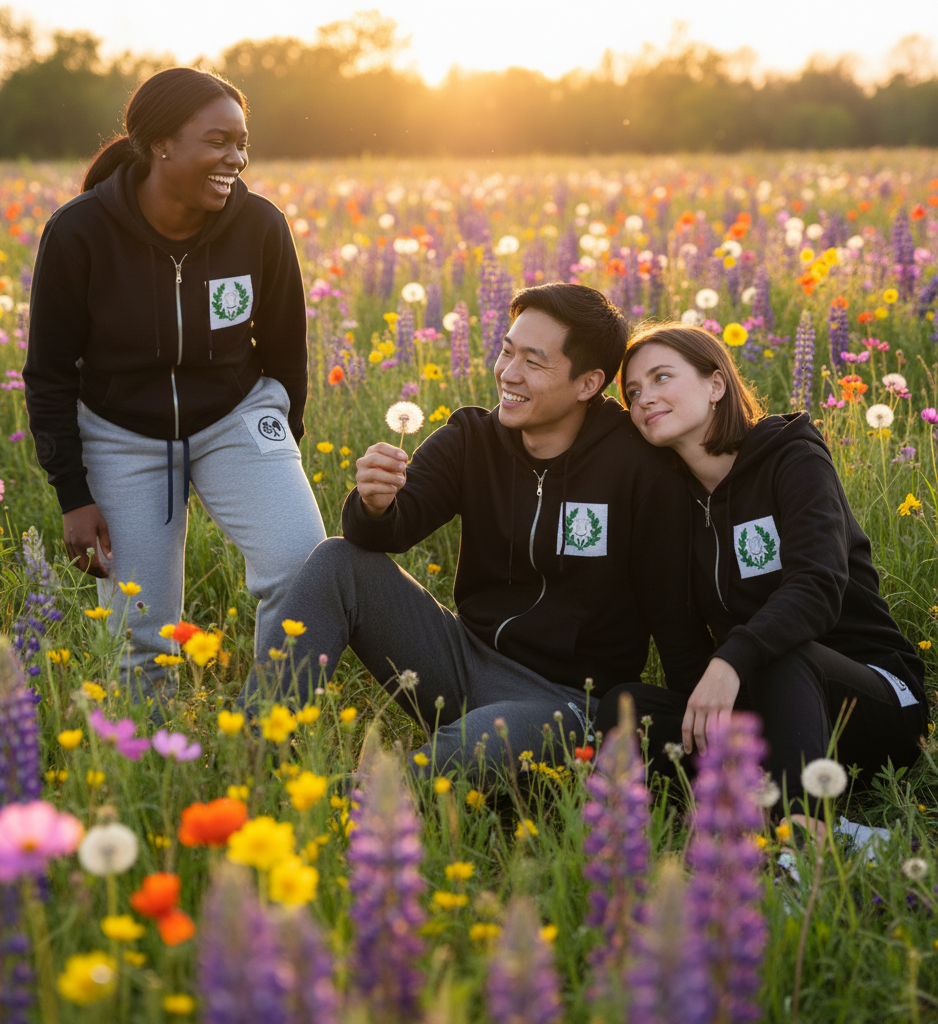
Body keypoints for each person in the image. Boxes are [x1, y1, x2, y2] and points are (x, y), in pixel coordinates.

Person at [256, 283, 710, 774]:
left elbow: (674, 615)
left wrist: (708, 736)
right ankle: (255, 754)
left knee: (474, 747)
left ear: (588, 383)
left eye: (534, 363)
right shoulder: (472, 438)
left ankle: (357, 804)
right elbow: (385, 534)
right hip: (460, 660)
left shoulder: (638, 466)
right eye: (506, 351)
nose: (508, 373)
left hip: (564, 701)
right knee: (337, 560)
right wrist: (374, 503)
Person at [23, 67, 326, 703]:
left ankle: (268, 729)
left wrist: (277, 450)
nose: (236, 160)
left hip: (236, 417)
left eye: (242, 143)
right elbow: (49, 374)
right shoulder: (79, 232)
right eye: (218, 142)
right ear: (161, 143)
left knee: (305, 569)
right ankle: (151, 767)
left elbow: (285, 352)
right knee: (141, 633)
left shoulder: (261, 227)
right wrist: (73, 494)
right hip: (120, 433)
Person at [606, 323, 927, 830]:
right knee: (624, 708)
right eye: (634, 392)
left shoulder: (792, 457)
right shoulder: (671, 503)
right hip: (767, 709)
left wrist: (733, 659)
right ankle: (765, 806)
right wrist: (705, 713)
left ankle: (804, 834)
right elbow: (679, 635)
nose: (645, 398)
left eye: (662, 377)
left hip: (874, 701)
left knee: (780, 650)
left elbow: (817, 586)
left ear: (716, 385)